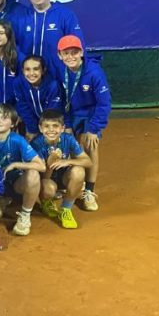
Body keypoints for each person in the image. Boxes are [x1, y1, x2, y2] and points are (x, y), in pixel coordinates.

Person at [56, 34, 111, 212]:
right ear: (59, 55)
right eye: (66, 53)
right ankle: (74, 184)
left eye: (74, 52)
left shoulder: (94, 72)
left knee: (90, 146)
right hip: (71, 114)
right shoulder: (61, 71)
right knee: (71, 146)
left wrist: (94, 129)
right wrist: (67, 124)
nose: (70, 57)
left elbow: (104, 103)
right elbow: (62, 100)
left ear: (81, 53)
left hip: (90, 114)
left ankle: (89, 191)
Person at [0, 104, 46, 235]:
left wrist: (15, 165)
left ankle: (25, 216)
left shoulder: (18, 140)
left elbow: (41, 166)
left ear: (13, 123)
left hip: (14, 183)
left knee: (33, 174)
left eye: (4, 118)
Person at [29, 108, 93, 231]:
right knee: (48, 188)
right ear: (40, 128)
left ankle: (66, 209)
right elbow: (43, 177)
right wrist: (51, 161)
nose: (51, 130)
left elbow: (88, 162)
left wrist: (67, 161)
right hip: (46, 179)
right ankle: (46, 202)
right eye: (46, 126)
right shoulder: (36, 144)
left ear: (62, 128)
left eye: (55, 126)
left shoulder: (68, 139)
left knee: (79, 171)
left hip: (63, 176)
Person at [17, 0, 84, 76]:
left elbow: (76, 44)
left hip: (58, 76)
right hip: (29, 76)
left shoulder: (65, 14)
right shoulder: (20, 16)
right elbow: (13, 46)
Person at [13, 55, 62, 139]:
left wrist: (46, 130)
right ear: (23, 71)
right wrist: (33, 130)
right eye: (27, 69)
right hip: (30, 123)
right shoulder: (18, 83)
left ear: (43, 70)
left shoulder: (53, 85)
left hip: (51, 123)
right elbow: (23, 107)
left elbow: (52, 111)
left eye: (36, 69)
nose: (31, 73)